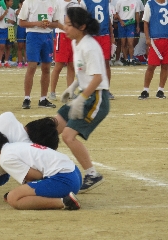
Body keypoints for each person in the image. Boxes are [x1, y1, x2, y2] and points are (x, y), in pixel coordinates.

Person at [56, 7, 110, 193]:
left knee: (68, 136)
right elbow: (83, 72)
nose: (65, 28)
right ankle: (49, 168)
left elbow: (97, 78)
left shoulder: (90, 46)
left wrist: (81, 99)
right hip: (84, 93)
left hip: (96, 98)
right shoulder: (76, 43)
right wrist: (72, 87)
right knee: (54, 125)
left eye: (69, 25)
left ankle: (92, 174)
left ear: (82, 26)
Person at [0, 128, 81, 210]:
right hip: (75, 174)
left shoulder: (5, 158)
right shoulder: (14, 146)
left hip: (65, 180)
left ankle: (65, 202)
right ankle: (66, 198)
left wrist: (20, 193)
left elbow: (36, 176)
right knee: (18, 193)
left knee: (13, 198)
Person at [18, 0, 60, 109]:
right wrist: (37, 23)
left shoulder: (54, 2)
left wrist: (49, 24)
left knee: (46, 68)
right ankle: (27, 98)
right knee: (32, 67)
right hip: (33, 36)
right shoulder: (29, 2)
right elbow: (21, 22)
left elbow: (56, 22)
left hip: (47, 36)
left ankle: (43, 99)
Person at [80, 0, 115, 100]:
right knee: (89, 64)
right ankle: (89, 89)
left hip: (104, 35)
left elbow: (108, 19)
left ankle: (106, 90)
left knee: (106, 63)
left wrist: (112, 36)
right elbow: (82, 20)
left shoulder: (105, 2)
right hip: (91, 36)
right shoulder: (84, 2)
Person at [138, 0, 168, 100]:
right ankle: (145, 90)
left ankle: (161, 90)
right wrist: (147, 38)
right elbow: (145, 22)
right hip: (155, 40)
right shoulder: (150, 4)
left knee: (165, 65)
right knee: (151, 66)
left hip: (167, 39)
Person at [48, 0, 78, 101]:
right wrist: (65, 28)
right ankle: (52, 92)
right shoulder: (57, 2)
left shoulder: (75, 3)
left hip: (73, 36)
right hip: (62, 35)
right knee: (59, 65)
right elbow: (54, 21)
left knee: (71, 65)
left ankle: (70, 92)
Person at [115, 0, 140, 66]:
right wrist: (121, 21)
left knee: (130, 43)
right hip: (122, 24)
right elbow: (116, 14)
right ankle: (126, 59)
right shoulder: (119, 2)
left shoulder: (135, 2)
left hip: (131, 23)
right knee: (123, 43)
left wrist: (137, 25)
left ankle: (131, 59)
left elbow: (137, 13)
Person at [0, 0, 16, 68]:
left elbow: (14, 22)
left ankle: (6, 62)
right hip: (2, 29)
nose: (12, 3)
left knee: (8, 46)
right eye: (11, 1)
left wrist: (10, 21)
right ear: (6, 2)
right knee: (2, 46)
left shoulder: (12, 11)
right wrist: (4, 14)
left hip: (10, 29)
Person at [15, 0, 27, 68]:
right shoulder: (17, 10)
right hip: (20, 28)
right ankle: (20, 62)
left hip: (27, 28)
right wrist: (21, 7)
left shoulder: (28, 9)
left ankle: (26, 61)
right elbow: (18, 13)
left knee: (26, 46)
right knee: (20, 46)